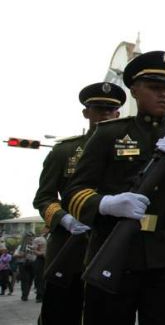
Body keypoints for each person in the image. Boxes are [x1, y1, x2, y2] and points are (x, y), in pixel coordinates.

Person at [63, 50, 165, 324]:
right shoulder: (109, 133)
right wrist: (108, 204)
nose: (164, 95)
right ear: (134, 90)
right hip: (114, 250)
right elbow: (74, 193)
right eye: (155, 87)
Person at [33, 81, 124, 323]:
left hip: (109, 245)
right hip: (69, 245)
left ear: (118, 113)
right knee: (60, 313)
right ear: (86, 112)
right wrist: (65, 219)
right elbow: (44, 197)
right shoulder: (65, 151)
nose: (105, 113)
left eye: (110, 109)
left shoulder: (127, 150)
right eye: (98, 108)